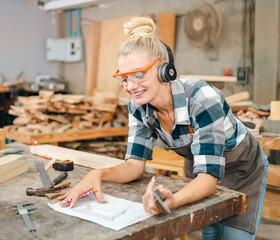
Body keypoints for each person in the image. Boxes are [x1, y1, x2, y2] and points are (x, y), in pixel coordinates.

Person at [59, 17, 268, 239]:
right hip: (200, 167)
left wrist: (175, 199)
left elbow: (209, 178)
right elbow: (134, 165)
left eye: (139, 75)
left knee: (233, 236)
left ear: (165, 71)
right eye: (124, 78)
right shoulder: (138, 107)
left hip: (241, 169)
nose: (130, 86)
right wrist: (97, 174)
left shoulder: (202, 98)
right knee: (211, 230)